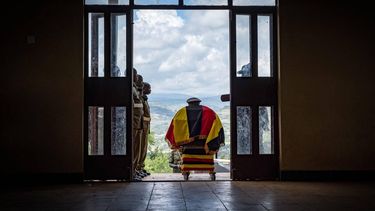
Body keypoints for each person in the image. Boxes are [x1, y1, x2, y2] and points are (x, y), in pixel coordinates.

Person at [165, 97, 225, 177]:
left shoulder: (181, 113)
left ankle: (186, 171)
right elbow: (217, 129)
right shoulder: (209, 112)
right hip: (205, 145)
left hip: (188, 146)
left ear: (188, 103)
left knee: (187, 151)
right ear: (198, 102)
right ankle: (210, 171)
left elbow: (173, 129)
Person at [132, 68, 144, 181]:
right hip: (134, 121)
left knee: (137, 147)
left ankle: (135, 170)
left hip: (138, 121)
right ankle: (132, 170)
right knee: (134, 147)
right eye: (135, 75)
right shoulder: (130, 88)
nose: (137, 78)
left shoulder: (135, 89)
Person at [138, 82, 151, 176]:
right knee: (139, 147)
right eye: (148, 88)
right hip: (141, 126)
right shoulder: (141, 98)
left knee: (144, 148)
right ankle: (137, 168)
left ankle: (141, 167)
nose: (150, 90)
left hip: (145, 127)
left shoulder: (144, 99)